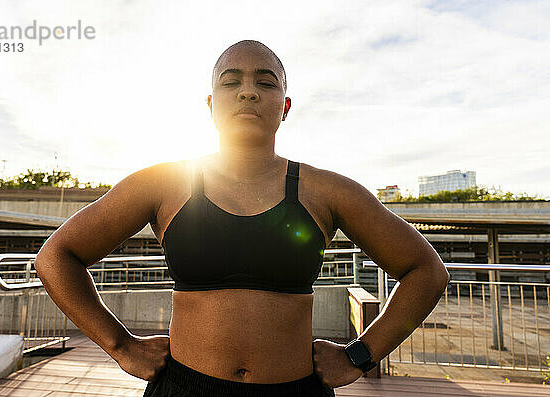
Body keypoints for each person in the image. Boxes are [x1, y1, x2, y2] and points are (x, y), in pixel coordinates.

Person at [34, 40, 450, 396]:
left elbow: (426, 271)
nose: (248, 92)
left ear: (284, 106)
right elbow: (56, 257)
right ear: (212, 105)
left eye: (265, 83)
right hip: (184, 388)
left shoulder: (329, 191)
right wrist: (121, 346)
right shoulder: (162, 184)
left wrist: (360, 355)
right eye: (231, 82)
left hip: (295, 390)